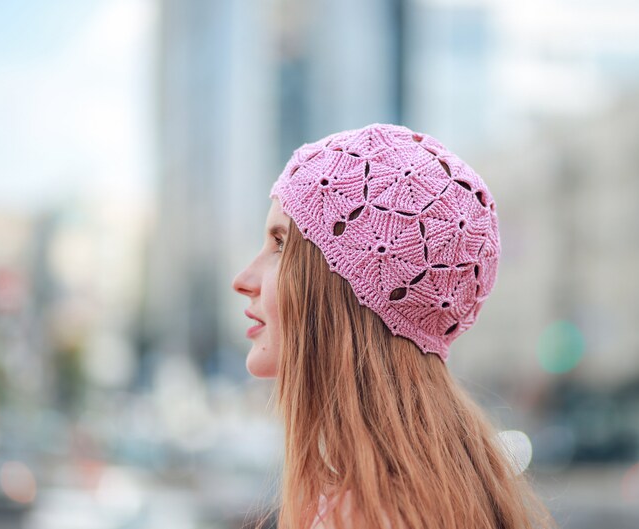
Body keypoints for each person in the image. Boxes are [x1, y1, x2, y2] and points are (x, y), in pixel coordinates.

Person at [232, 124, 557, 529]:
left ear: (347, 287)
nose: (243, 279)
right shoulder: (451, 488)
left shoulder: (357, 516)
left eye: (281, 244)